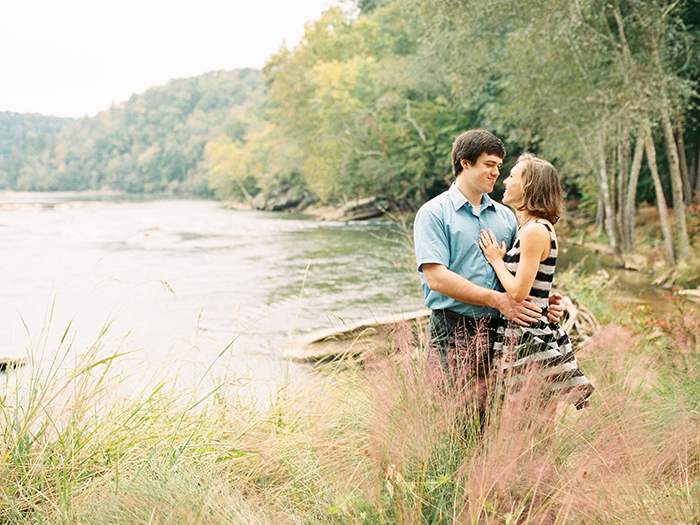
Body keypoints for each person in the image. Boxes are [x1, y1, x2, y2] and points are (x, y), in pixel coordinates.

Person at [413, 130, 564, 414]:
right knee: (453, 418)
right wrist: (496, 300)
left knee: (496, 422)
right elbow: (436, 278)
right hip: (452, 331)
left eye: (499, 166)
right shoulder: (433, 213)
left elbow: (522, 271)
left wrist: (548, 301)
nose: (496, 173)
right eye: (489, 164)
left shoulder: (507, 216)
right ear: (465, 163)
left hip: (500, 333)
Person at [478, 153, 594, 409]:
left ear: (529, 186)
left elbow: (519, 292)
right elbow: (536, 284)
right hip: (521, 334)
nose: (505, 181)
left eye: (511, 176)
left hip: (528, 339)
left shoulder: (534, 230)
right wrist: (549, 301)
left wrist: (496, 259)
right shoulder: (528, 229)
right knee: (526, 420)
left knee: (531, 421)